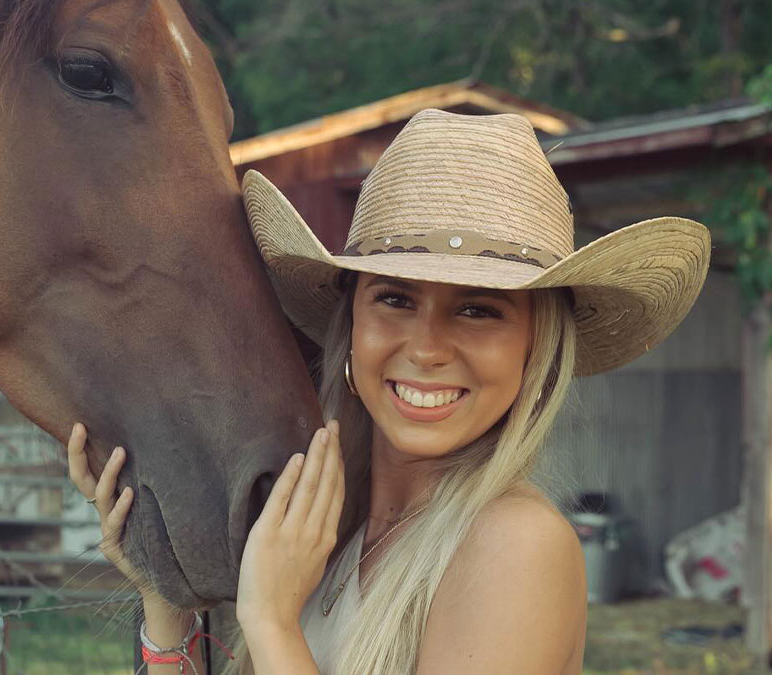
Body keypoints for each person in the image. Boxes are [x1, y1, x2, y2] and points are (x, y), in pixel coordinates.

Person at [66, 108, 711, 674]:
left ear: (534, 346)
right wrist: (167, 606)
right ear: (351, 324)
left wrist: (271, 622)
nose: (426, 348)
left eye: (479, 309)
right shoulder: (326, 535)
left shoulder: (516, 546)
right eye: (396, 299)